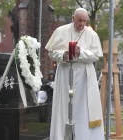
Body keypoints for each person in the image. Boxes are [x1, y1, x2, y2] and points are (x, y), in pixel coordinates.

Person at [45, 8, 105, 140]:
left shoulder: (92, 34)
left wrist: (80, 53)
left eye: (85, 21)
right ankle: (63, 137)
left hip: (84, 76)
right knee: (64, 107)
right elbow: (51, 52)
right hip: (65, 73)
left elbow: (96, 55)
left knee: (83, 109)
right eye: (79, 20)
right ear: (73, 18)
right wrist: (63, 55)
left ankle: (82, 137)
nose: (82, 24)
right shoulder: (61, 31)